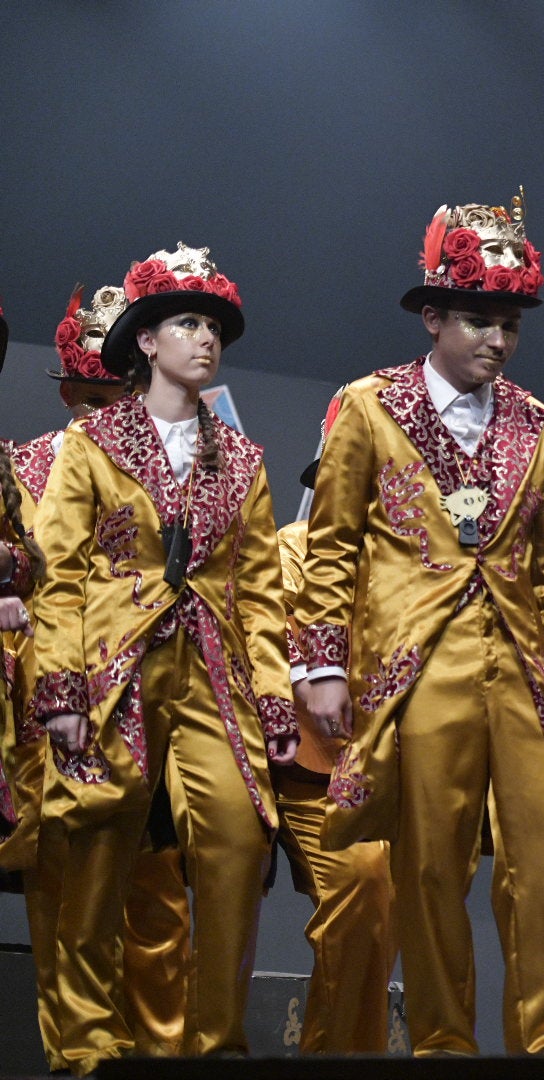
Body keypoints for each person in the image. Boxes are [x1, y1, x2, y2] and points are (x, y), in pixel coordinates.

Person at [297, 193, 544, 1056]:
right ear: (432, 317)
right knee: (430, 867)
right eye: (476, 320)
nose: (496, 340)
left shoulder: (536, 422)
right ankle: (442, 1045)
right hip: (419, 664)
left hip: (524, 663)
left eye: (509, 324)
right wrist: (320, 665)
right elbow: (332, 544)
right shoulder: (369, 405)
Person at [29, 244, 297, 1073]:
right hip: (110, 661)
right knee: (98, 840)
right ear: (146, 340)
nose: (205, 338)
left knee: (237, 839)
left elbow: (257, 590)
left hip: (211, 667)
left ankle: (215, 1043)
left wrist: (276, 698)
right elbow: (60, 573)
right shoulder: (92, 443)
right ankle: (83, 1047)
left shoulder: (242, 460)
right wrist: (62, 689)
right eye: (186, 322)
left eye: (214, 325)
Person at [3, 283, 195, 1068]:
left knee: (157, 881)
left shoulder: (189, 459)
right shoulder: (29, 465)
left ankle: (163, 1048)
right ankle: (83, 1053)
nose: (96, 409)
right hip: (54, 693)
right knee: (70, 881)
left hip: (155, 691)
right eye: (82, 396)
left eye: (109, 392)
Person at [273, 391, 397, 1054]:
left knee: (380, 924)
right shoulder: (291, 548)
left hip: (381, 772)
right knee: (360, 891)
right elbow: (274, 640)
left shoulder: (401, 571)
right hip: (315, 767)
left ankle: (356, 1059)